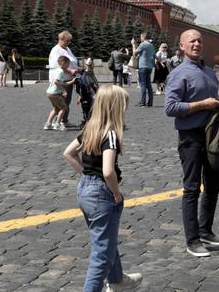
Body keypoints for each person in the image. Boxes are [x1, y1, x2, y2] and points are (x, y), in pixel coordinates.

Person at [62, 85, 143, 292]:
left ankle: (117, 280)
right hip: (101, 194)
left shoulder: (90, 128)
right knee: (101, 252)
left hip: (84, 190)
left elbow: (69, 153)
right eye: (124, 104)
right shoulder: (111, 134)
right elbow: (108, 171)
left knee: (106, 239)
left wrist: (86, 174)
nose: (127, 109)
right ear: (115, 107)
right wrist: (116, 192)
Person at [165, 29, 219, 258]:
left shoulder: (208, 72)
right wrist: (202, 104)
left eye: (199, 41)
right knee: (192, 188)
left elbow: (211, 101)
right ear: (182, 46)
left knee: (214, 184)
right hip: (191, 137)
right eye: (191, 41)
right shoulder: (178, 73)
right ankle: (192, 240)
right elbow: (171, 108)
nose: (197, 44)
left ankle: (205, 231)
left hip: (212, 135)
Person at [49, 31, 80, 124]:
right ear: (61, 39)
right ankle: (59, 120)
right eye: (67, 41)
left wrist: (77, 68)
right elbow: (59, 64)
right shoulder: (56, 50)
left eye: (69, 41)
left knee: (67, 101)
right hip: (61, 80)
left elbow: (72, 61)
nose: (69, 42)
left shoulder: (67, 49)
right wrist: (70, 70)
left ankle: (64, 120)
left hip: (69, 78)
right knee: (62, 102)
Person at [44, 56, 76, 131]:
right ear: (64, 63)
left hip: (49, 92)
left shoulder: (57, 70)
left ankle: (48, 124)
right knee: (64, 108)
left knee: (55, 109)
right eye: (68, 64)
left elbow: (62, 83)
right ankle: (57, 124)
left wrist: (71, 82)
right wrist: (64, 91)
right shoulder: (61, 71)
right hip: (55, 93)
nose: (69, 66)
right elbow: (56, 82)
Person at [131, 32, 157, 107]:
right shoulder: (151, 45)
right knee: (148, 85)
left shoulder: (143, 44)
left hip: (143, 67)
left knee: (142, 85)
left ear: (143, 37)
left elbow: (134, 54)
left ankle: (142, 102)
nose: (140, 38)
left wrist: (133, 45)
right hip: (149, 67)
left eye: (140, 37)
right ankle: (150, 102)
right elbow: (155, 56)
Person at [77, 59, 100, 128]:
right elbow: (86, 86)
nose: (92, 66)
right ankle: (89, 121)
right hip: (89, 95)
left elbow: (95, 84)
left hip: (93, 93)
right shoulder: (85, 75)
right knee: (90, 108)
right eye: (90, 65)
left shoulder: (90, 73)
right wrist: (80, 96)